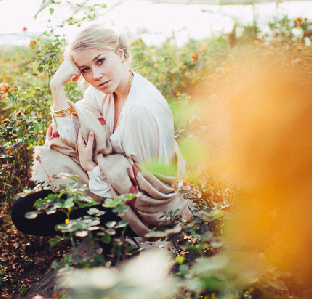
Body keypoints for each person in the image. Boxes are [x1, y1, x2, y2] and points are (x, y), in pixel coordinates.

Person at [11, 24, 190, 238]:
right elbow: (71, 139)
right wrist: (57, 87)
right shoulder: (102, 93)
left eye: (100, 61)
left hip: (147, 210)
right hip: (110, 187)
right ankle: (106, 243)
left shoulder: (139, 110)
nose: (96, 75)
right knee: (25, 208)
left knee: (32, 211)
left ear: (120, 53)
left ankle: (116, 247)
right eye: (85, 69)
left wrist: (90, 166)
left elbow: (144, 189)